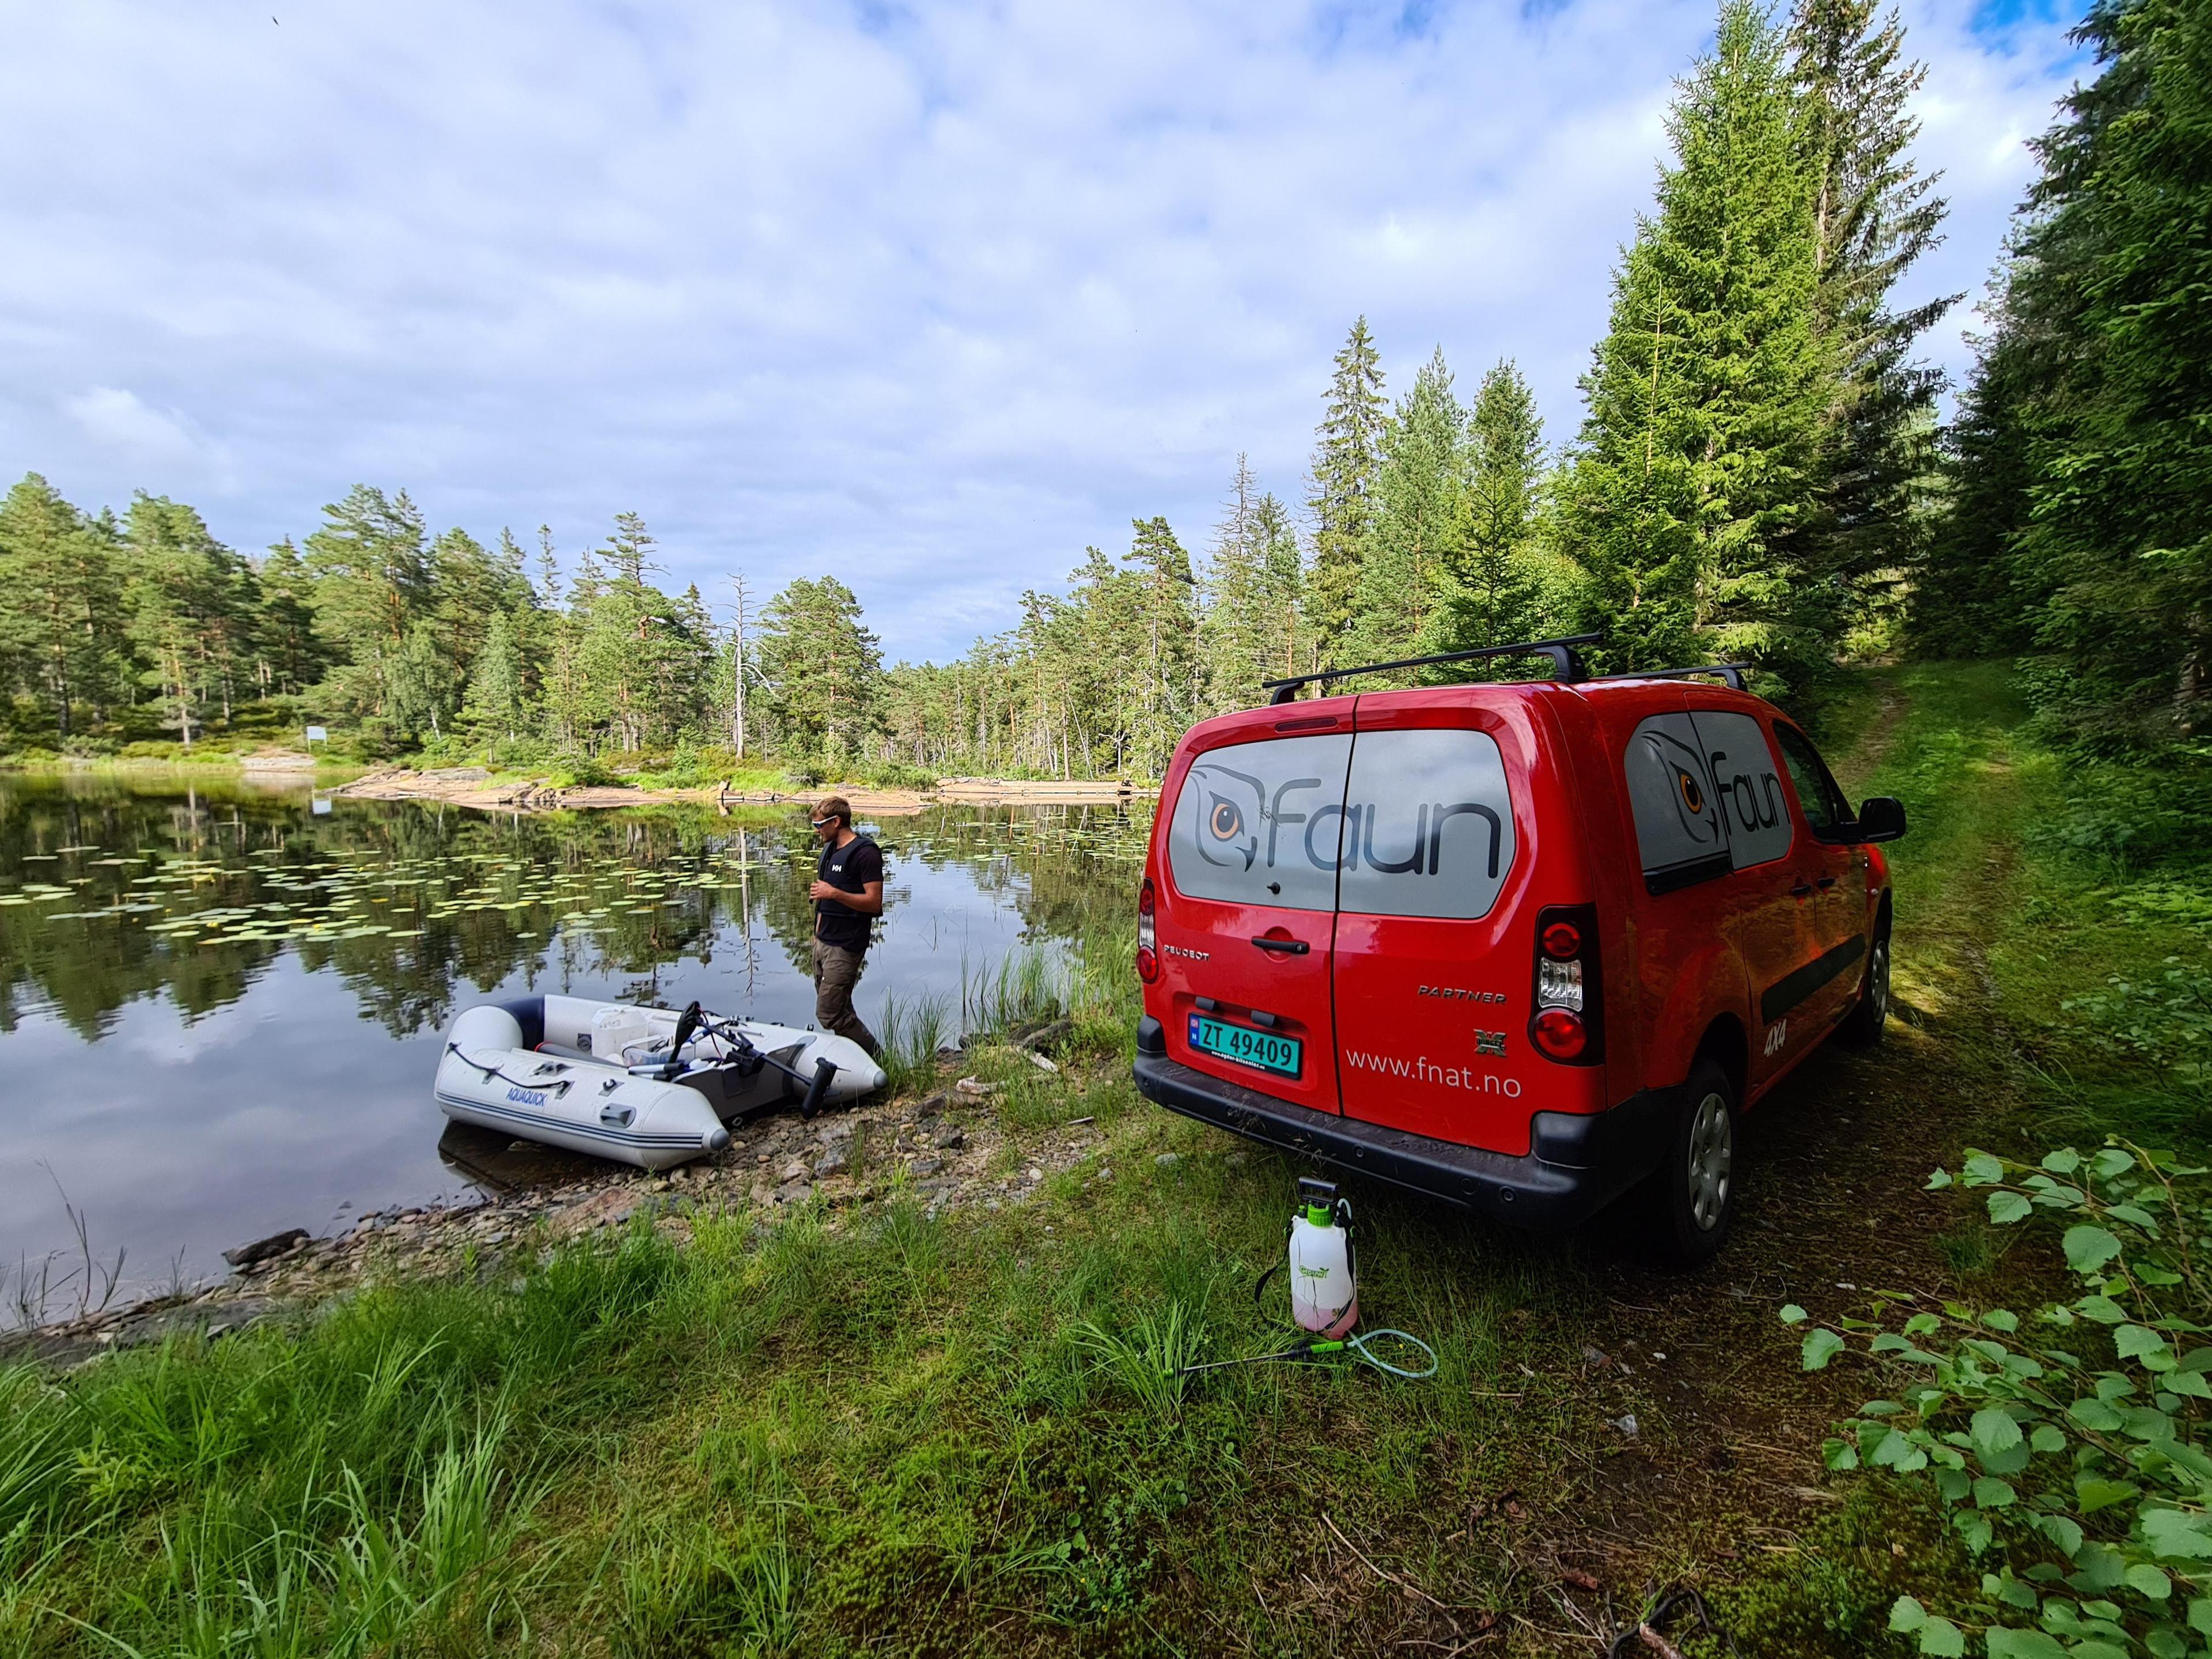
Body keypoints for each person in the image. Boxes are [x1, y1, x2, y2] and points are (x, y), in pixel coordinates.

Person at [806, 796, 884, 1058]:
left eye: (819, 826)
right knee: (841, 1010)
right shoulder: (829, 850)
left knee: (829, 1013)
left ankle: (879, 1059)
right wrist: (816, 935)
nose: (816, 831)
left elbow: (873, 903)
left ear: (836, 822)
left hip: (846, 945)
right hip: (823, 942)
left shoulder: (866, 853)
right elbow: (821, 898)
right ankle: (858, 1063)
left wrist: (834, 893)